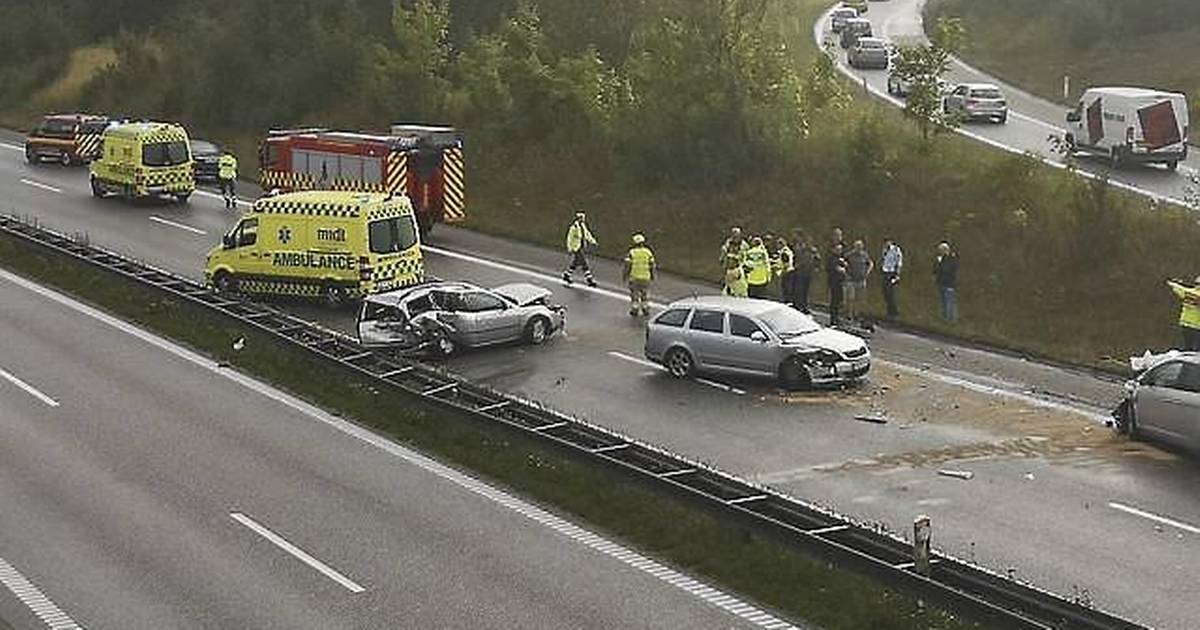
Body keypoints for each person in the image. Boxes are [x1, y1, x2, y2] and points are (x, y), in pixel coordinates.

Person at [623, 233, 656, 316]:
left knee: (634, 294)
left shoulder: (631, 253)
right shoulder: (648, 252)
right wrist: (652, 275)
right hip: (646, 277)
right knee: (645, 294)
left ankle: (635, 309)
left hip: (634, 277)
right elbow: (652, 265)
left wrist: (625, 275)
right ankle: (645, 309)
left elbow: (627, 265)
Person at [562, 211, 598, 287]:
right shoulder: (574, 227)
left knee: (575, 263)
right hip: (576, 248)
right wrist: (569, 248)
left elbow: (587, 234)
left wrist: (593, 241)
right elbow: (569, 238)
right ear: (578, 218)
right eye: (581, 218)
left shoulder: (583, 226)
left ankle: (567, 275)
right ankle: (589, 280)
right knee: (584, 263)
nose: (583, 219)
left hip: (582, 246)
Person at [1166, 276, 1200, 351]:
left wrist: (1172, 282)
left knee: (1187, 347)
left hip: (1185, 323)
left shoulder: (1188, 292)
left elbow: (1177, 288)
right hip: (1197, 325)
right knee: (1197, 349)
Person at [845, 239, 873, 325]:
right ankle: (849, 315)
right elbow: (842, 263)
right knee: (851, 298)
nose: (858, 248)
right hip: (851, 280)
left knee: (859, 298)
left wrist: (867, 272)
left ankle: (857, 314)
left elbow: (870, 263)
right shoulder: (849, 255)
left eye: (860, 246)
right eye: (857, 246)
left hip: (861, 280)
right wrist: (846, 273)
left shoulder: (864, 255)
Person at [792, 230, 819, 313]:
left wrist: (816, 266)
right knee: (798, 289)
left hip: (808, 272)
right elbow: (795, 257)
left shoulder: (812, 250)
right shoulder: (798, 247)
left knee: (805, 290)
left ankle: (804, 306)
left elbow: (817, 258)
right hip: (800, 271)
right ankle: (797, 305)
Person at [933, 241, 959, 324]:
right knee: (943, 302)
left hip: (949, 284)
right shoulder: (941, 258)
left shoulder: (952, 259)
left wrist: (940, 263)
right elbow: (935, 271)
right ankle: (944, 318)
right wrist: (938, 263)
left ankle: (951, 320)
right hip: (941, 283)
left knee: (949, 302)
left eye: (941, 250)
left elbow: (947, 270)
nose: (940, 252)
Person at [880, 237, 903, 321]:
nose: (886, 244)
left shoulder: (896, 250)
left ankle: (894, 312)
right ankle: (889, 310)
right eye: (885, 242)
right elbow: (883, 260)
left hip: (892, 273)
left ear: (891, 242)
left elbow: (899, 262)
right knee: (884, 291)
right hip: (885, 272)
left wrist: (897, 274)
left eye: (888, 242)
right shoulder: (884, 250)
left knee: (890, 292)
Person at [826, 242, 848, 327]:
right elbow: (832, 268)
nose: (839, 251)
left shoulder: (841, 258)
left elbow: (845, 266)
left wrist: (844, 265)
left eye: (840, 249)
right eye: (838, 249)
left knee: (839, 300)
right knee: (834, 301)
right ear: (833, 250)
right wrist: (840, 269)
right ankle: (833, 319)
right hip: (834, 282)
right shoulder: (831, 258)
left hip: (840, 282)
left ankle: (837, 318)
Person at [774, 235, 796, 306]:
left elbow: (786, 263)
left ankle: (788, 303)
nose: (776, 246)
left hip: (787, 272)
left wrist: (781, 270)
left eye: (778, 244)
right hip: (790, 272)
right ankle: (789, 302)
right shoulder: (787, 250)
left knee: (786, 289)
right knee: (788, 288)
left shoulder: (784, 252)